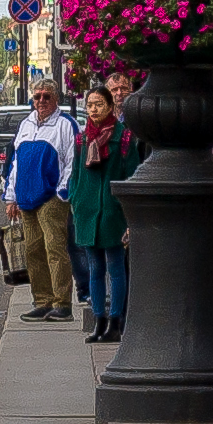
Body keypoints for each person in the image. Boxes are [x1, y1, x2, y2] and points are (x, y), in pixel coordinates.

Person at [68, 82, 143, 344]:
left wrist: (128, 213)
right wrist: (76, 199)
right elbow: (75, 174)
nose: (94, 110)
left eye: (99, 104)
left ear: (110, 106)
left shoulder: (123, 137)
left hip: (113, 213)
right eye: (89, 105)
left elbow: (131, 174)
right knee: (94, 269)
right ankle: (98, 319)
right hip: (87, 212)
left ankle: (115, 321)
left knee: (116, 267)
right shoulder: (82, 138)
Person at [4, 80, 78, 323]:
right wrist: (11, 196)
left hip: (51, 198)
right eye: (37, 97)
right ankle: (42, 301)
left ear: (56, 98)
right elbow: (15, 164)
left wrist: (62, 191)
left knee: (54, 249)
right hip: (26, 198)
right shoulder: (25, 125)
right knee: (33, 250)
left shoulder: (65, 125)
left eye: (47, 96)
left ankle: (62, 303)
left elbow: (72, 161)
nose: (41, 101)